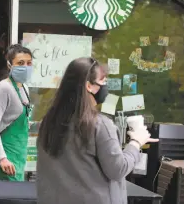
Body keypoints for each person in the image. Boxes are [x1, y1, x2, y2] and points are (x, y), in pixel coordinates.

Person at [36, 57, 159, 204]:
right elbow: (118, 169)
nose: (106, 86)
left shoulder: (49, 122)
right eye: (103, 81)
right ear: (89, 86)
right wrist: (136, 142)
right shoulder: (99, 124)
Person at [0, 44, 33, 181]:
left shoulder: (25, 88)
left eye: (29, 63)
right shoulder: (4, 88)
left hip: (19, 155)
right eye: (20, 63)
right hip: (5, 156)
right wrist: (2, 158)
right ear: (9, 65)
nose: (25, 66)